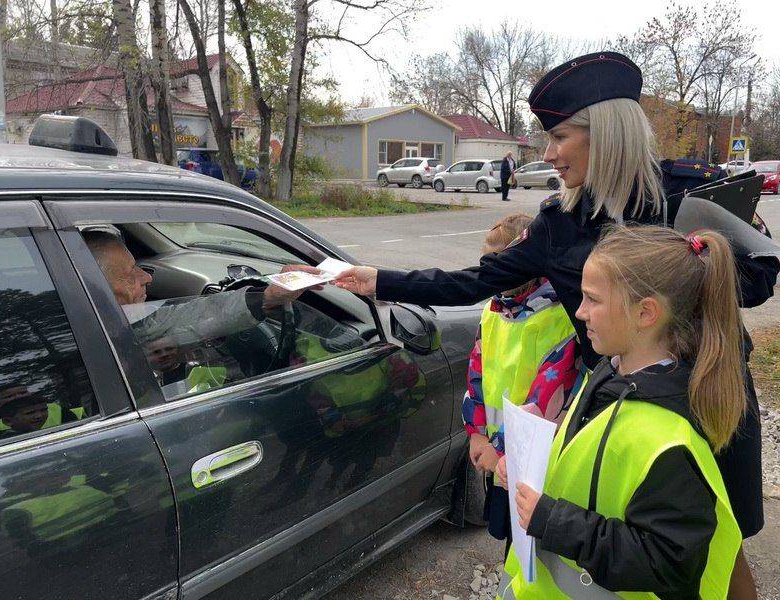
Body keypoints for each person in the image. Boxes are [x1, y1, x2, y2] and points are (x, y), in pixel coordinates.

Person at [333, 51, 778, 592]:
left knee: (722, 544)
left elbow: (756, 284)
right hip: (619, 408)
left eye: (560, 137)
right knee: (624, 540)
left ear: (606, 134)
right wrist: (377, 279)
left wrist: (715, 247)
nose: (548, 154)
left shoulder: (687, 191)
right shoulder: (559, 224)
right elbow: (475, 281)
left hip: (711, 395)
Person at [499, 225, 744, 598]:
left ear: (645, 313)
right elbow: (594, 462)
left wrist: (551, 519)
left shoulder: (670, 441)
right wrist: (530, 458)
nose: (580, 312)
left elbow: (665, 563)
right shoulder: (612, 369)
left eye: (592, 299)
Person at [463, 214, 579, 557]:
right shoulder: (494, 311)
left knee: (533, 541)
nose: (491, 272)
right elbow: (476, 373)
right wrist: (477, 432)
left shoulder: (559, 317)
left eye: (501, 263)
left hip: (533, 456)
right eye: (486, 263)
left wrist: (499, 446)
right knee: (512, 540)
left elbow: (547, 397)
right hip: (499, 454)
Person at [81, 229, 314, 391]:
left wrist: (268, 297)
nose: (147, 277)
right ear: (94, 288)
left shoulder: (130, 320)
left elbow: (194, 315)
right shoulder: (76, 347)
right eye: (131, 273)